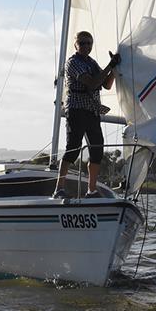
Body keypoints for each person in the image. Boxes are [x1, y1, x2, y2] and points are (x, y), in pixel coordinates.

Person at [53, 30, 120, 199]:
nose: (86, 46)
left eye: (89, 43)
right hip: (76, 110)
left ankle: (92, 190)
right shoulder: (73, 63)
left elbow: (106, 85)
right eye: (82, 43)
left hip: (92, 111)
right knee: (73, 149)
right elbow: (92, 83)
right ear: (76, 45)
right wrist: (110, 66)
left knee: (97, 150)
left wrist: (115, 67)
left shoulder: (91, 62)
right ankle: (59, 188)